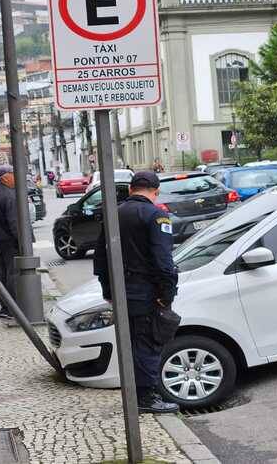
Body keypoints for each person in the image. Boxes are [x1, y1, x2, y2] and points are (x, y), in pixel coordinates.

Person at [93, 171, 179, 414]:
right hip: (146, 292)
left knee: (130, 343)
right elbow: (164, 261)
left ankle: (138, 391)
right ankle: (146, 398)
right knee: (148, 343)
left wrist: (107, 289)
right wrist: (167, 293)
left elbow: (100, 256)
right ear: (156, 191)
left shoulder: (113, 214)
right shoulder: (156, 216)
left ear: (131, 189)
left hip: (121, 291)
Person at [0, 165, 33, 320]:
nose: (16, 177)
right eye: (14, 174)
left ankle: (5, 308)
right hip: (10, 242)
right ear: (5, 177)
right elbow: (15, 223)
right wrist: (24, 243)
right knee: (13, 274)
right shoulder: (11, 196)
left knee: (4, 273)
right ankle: (13, 308)